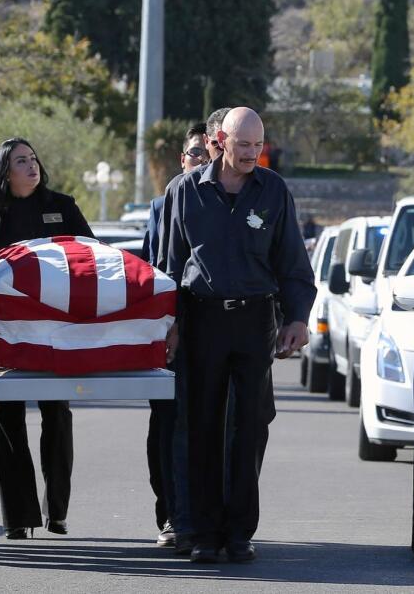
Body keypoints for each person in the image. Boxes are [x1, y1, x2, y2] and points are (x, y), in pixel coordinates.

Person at [158, 107, 315, 563]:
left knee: (248, 427)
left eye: (257, 144)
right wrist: (170, 324)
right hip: (202, 319)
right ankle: (203, 533)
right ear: (219, 141)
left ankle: (240, 531)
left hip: (254, 320)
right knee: (202, 426)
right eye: (243, 144)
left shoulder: (273, 190)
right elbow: (170, 265)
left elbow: (292, 263)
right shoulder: (185, 191)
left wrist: (297, 319)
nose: (251, 152)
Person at [0, 137, 92, 540]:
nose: (31, 166)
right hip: (7, 336)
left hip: (56, 334)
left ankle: (57, 510)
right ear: (4, 171)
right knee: (8, 422)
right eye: (20, 161)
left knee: (57, 417)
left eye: (33, 158)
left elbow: (90, 255)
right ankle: (18, 516)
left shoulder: (61, 205)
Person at [141, 123, 209, 552]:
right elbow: (153, 268)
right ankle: (170, 514)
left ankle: (210, 516)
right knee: (166, 428)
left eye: (207, 153)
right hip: (171, 334)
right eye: (193, 154)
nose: (199, 160)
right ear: (181, 160)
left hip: (221, 332)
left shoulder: (242, 199)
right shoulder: (164, 203)